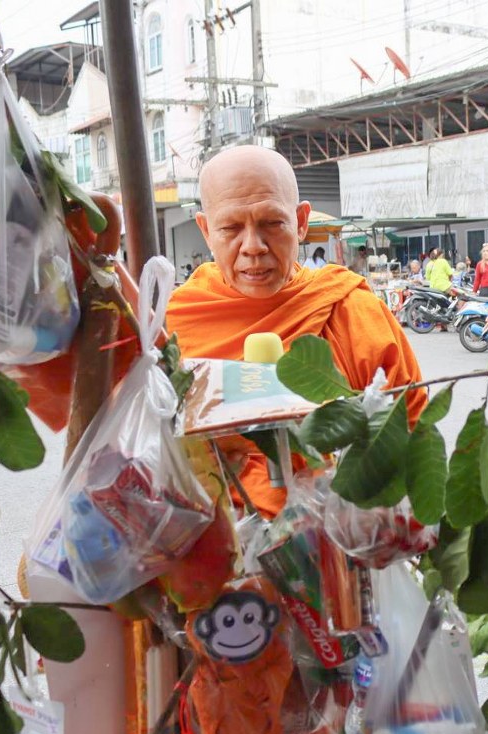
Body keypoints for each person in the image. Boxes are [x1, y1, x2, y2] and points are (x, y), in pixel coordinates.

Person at [166, 145, 426, 518]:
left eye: (272, 223)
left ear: (301, 222)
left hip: (334, 534)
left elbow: (410, 429)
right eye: (231, 228)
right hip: (211, 539)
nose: (253, 247)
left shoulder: (348, 307)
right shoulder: (178, 321)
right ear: (206, 230)